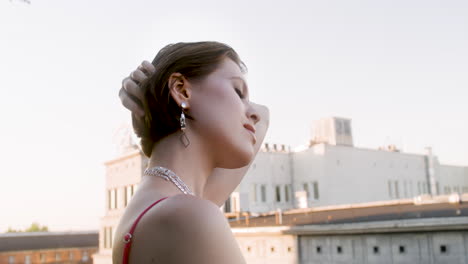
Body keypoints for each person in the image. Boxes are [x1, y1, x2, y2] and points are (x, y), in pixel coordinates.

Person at [113, 41, 270, 264]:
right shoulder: (190, 215)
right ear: (182, 90)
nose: (253, 113)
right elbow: (263, 116)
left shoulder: (164, 207)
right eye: (237, 91)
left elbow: (264, 115)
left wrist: (153, 96)